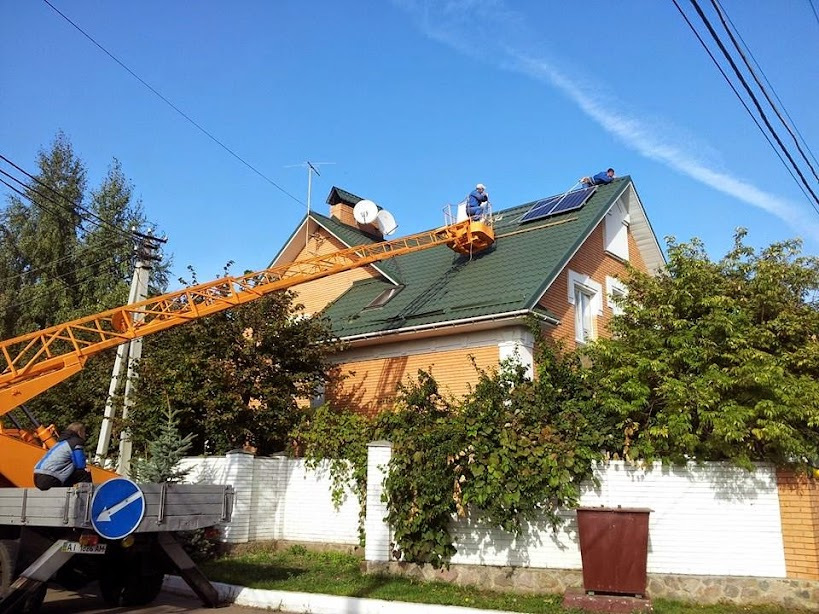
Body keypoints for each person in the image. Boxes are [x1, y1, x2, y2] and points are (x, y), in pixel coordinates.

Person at [33, 422, 92, 490]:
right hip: (50, 478)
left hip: (37, 476)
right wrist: (85, 471)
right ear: (79, 432)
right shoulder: (76, 442)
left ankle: (66, 496)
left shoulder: (60, 443)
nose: (85, 434)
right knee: (84, 473)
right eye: (84, 432)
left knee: (70, 470)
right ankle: (88, 496)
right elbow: (80, 464)